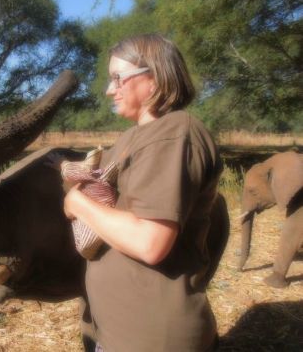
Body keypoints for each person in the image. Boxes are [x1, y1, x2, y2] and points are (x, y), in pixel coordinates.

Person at [62, 34, 223, 351]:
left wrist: (78, 204)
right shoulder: (133, 138)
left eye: (117, 79)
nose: (110, 90)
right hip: (119, 331)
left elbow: (150, 242)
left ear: (155, 76)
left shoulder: (174, 133)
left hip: (151, 338)